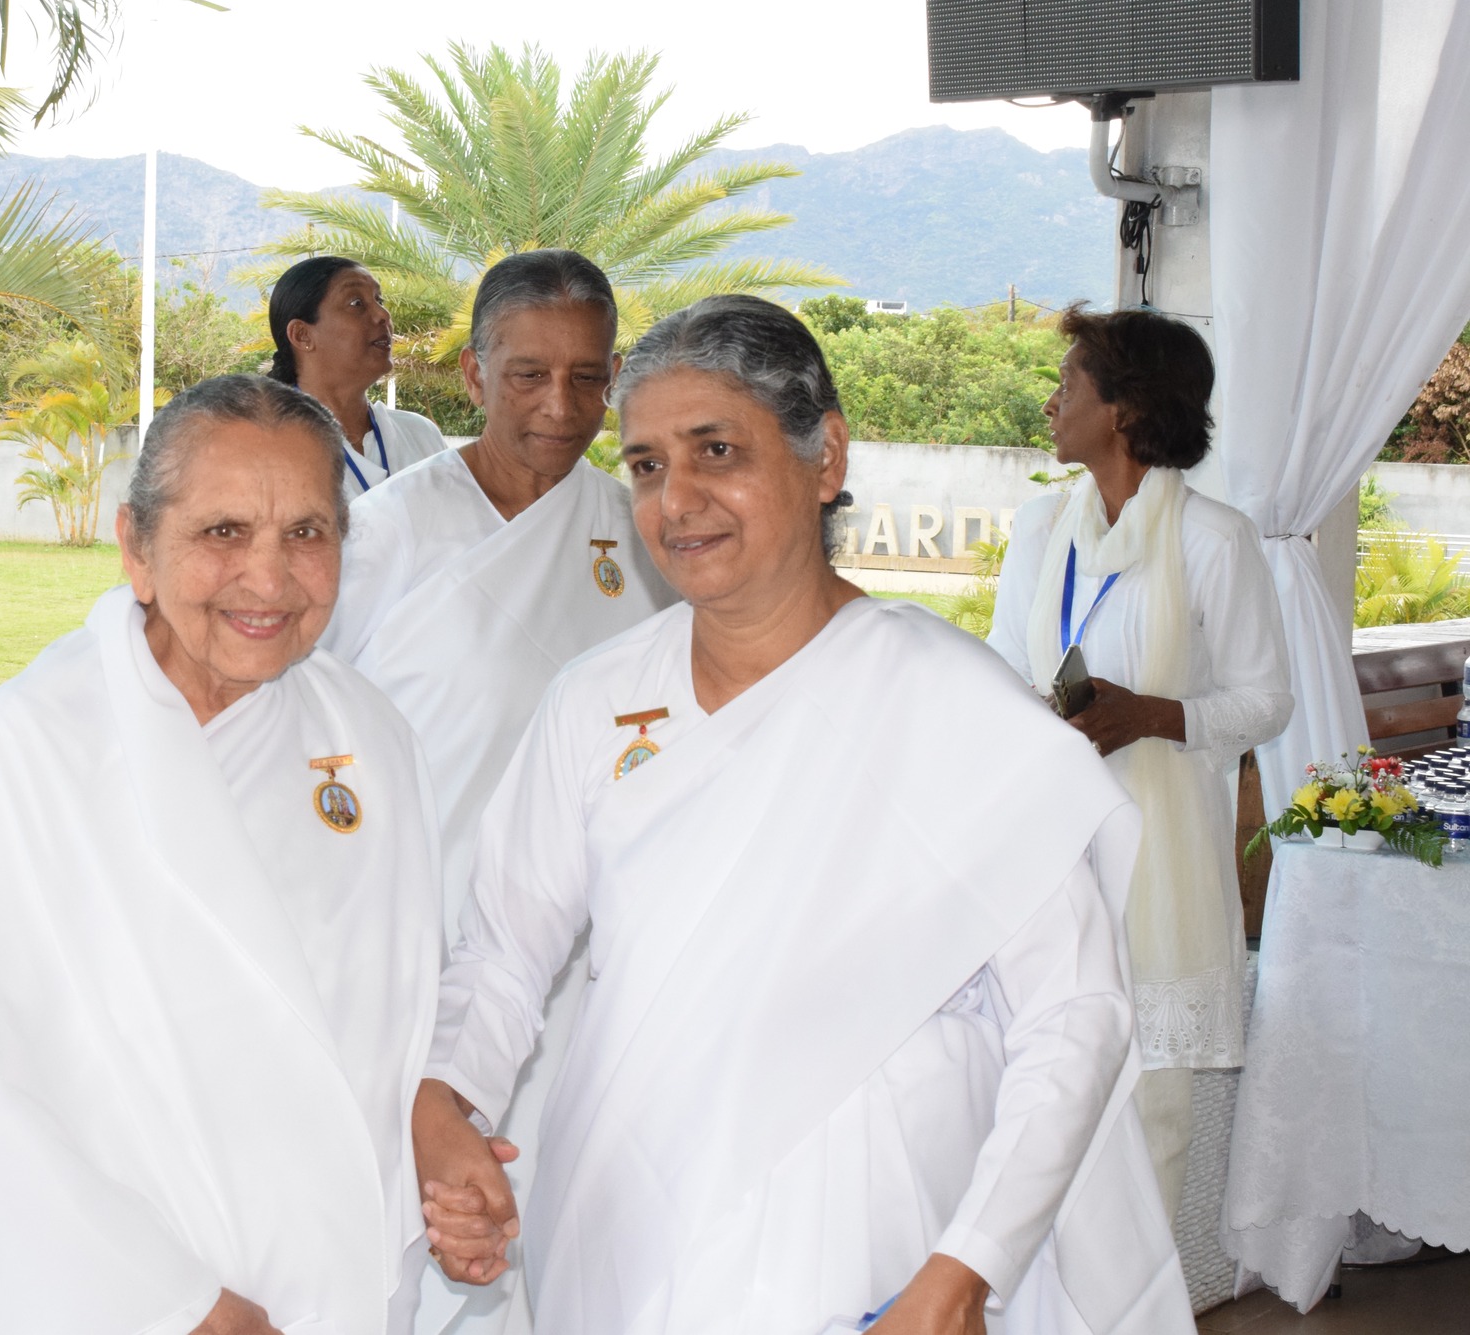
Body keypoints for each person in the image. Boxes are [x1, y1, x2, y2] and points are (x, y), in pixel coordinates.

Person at [414, 296, 1195, 1335]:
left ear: (824, 455)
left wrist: (967, 1266)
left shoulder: (954, 704)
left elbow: (1075, 1013)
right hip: (624, 1223)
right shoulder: (593, 702)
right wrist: (442, 1100)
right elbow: (505, 953)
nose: (676, 500)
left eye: (717, 450)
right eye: (645, 464)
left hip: (877, 1240)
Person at [0, 375, 444, 1335]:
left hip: (330, 1286)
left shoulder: (372, 738)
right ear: (137, 548)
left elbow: (400, 1016)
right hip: (120, 1292)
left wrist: (439, 1143)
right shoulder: (43, 739)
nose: (269, 578)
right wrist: (183, 1302)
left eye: (307, 532)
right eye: (224, 531)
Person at [322, 248, 676, 1333]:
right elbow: (315, 730)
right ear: (474, 374)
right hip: (423, 943)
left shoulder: (646, 531)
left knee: (571, 1234)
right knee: (420, 1229)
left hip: (592, 953)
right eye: (528, 374)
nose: (560, 406)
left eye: (586, 376)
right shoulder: (390, 530)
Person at [986, 306, 1292, 1223]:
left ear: (1122, 409)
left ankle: (1142, 1287)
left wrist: (1150, 716)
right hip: (1051, 843)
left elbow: (1267, 700)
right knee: (1046, 1080)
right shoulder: (1042, 526)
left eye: (1068, 383)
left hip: (1162, 856)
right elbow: (1004, 665)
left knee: (1153, 1105)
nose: (1051, 402)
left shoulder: (1214, 539)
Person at [269, 255, 448, 496]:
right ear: (302, 335)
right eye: (356, 304)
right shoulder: (267, 446)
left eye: (379, 300)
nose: (383, 315)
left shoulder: (419, 435)